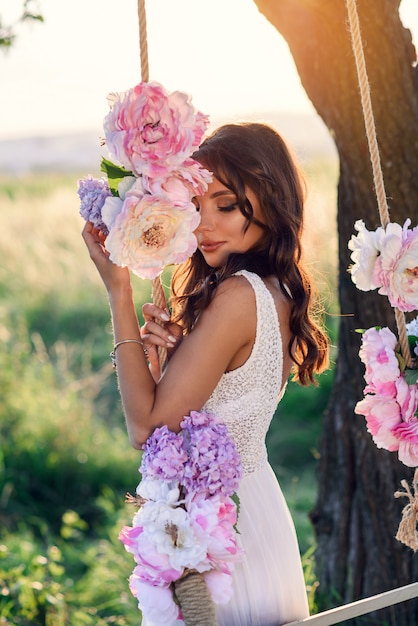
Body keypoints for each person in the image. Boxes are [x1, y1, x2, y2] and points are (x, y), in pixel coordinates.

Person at [82, 121, 329, 626]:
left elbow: (145, 428)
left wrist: (119, 291)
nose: (204, 225)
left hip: (225, 536)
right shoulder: (273, 290)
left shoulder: (239, 297)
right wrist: (170, 365)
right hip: (249, 512)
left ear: (270, 203)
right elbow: (194, 409)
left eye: (226, 204)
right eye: (195, 206)